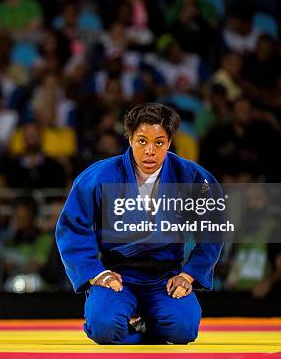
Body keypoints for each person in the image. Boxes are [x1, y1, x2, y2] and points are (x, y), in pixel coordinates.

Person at [56, 103, 223, 345]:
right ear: (130, 139)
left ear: (169, 142)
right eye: (142, 141)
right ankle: (133, 323)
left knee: (183, 330)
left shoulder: (192, 177)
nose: (150, 151)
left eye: (159, 142)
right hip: (118, 276)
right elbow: (72, 227)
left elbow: (212, 230)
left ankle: (143, 324)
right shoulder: (100, 176)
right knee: (104, 326)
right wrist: (96, 273)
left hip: (166, 277)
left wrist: (189, 275)